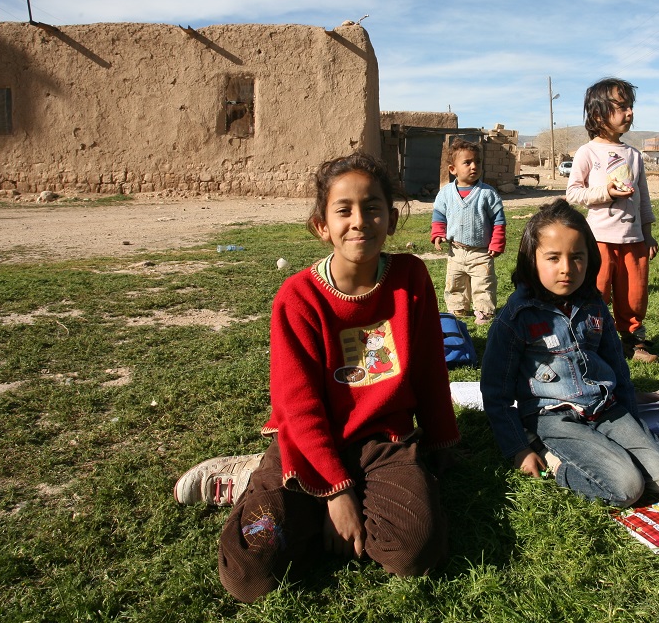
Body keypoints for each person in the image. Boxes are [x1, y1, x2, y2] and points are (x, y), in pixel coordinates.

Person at [175, 152, 460, 603]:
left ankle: (354, 495)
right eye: (343, 210)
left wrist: (442, 440)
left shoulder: (409, 278)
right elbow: (299, 405)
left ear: (391, 217)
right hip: (308, 441)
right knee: (253, 573)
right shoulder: (299, 298)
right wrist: (335, 491)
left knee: (415, 551)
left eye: (372, 208)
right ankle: (251, 475)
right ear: (321, 225)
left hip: (383, 438)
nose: (359, 221)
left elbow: (428, 367)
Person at [481, 198, 659, 507]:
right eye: (553, 258)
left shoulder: (594, 305)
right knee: (628, 487)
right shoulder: (516, 319)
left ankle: (609, 449)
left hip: (606, 408)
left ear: (590, 259)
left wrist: (631, 420)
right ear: (531, 260)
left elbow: (618, 367)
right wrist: (518, 448)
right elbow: (496, 392)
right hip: (553, 417)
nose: (566, 269)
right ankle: (556, 461)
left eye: (577, 257)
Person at [565, 78, 659, 362]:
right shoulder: (588, 152)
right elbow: (573, 193)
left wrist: (648, 233)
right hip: (599, 240)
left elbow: (643, 198)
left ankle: (633, 342)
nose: (629, 113)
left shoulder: (634, 155)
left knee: (635, 294)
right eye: (621, 107)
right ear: (597, 115)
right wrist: (605, 192)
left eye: (630, 107)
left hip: (634, 240)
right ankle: (589, 341)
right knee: (596, 293)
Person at [430, 138, 507, 325]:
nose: (474, 166)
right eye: (467, 162)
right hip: (456, 251)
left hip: (481, 252)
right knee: (455, 282)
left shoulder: (488, 193)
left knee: (483, 283)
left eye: (477, 162)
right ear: (452, 169)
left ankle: (484, 312)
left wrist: (496, 243)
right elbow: (439, 216)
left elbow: (498, 221)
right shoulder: (446, 193)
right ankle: (458, 308)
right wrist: (438, 234)